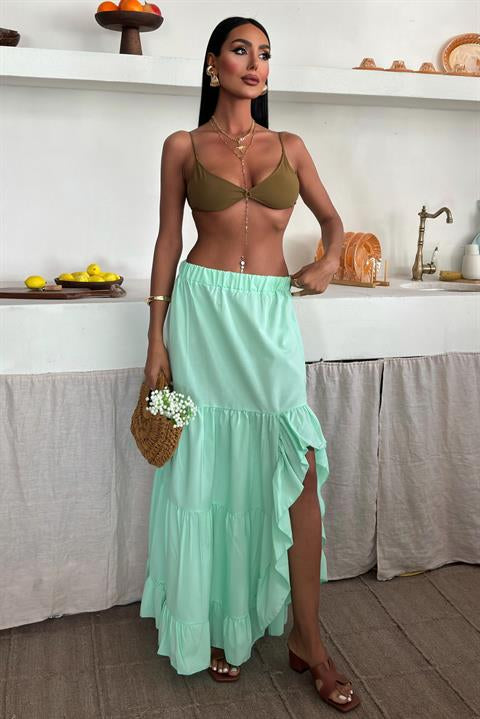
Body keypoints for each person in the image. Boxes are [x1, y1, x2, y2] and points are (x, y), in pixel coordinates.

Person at [140, 15, 360, 713]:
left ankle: (308, 638)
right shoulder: (182, 146)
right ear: (214, 64)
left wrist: (328, 262)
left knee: (298, 465)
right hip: (201, 315)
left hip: (267, 315)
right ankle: (214, 623)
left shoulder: (289, 146)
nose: (255, 63)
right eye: (241, 50)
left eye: (264, 53)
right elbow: (168, 240)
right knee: (205, 470)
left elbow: (333, 223)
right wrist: (155, 340)